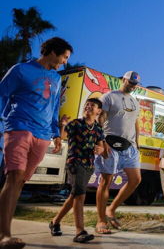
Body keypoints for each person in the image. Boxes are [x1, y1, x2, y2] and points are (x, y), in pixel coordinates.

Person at [0, 37, 72, 249]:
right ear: (52, 52)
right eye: (64, 57)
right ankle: (4, 235)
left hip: (42, 135)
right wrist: (6, 120)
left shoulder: (56, 78)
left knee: (21, 181)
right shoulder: (20, 70)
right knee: (13, 177)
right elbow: (2, 94)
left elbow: (53, 107)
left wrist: (56, 133)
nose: (65, 62)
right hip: (19, 128)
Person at [49, 98, 105, 243]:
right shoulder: (75, 123)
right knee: (80, 195)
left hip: (89, 165)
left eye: (92, 105)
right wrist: (62, 125)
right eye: (86, 105)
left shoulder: (98, 129)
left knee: (74, 195)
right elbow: (62, 136)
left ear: (98, 111)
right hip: (75, 162)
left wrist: (100, 149)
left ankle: (55, 222)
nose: (88, 107)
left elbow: (101, 147)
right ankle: (80, 231)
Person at [94, 71, 142, 234]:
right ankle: (101, 221)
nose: (132, 86)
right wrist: (101, 141)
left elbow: (135, 123)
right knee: (105, 181)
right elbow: (99, 119)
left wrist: (137, 144)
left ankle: (111, 209)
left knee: (135, 180)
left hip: (130, 147)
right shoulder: (109, 97)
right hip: (110, 143)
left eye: (135, 84)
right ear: (124, 80)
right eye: (130, 82)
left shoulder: (135, 102)